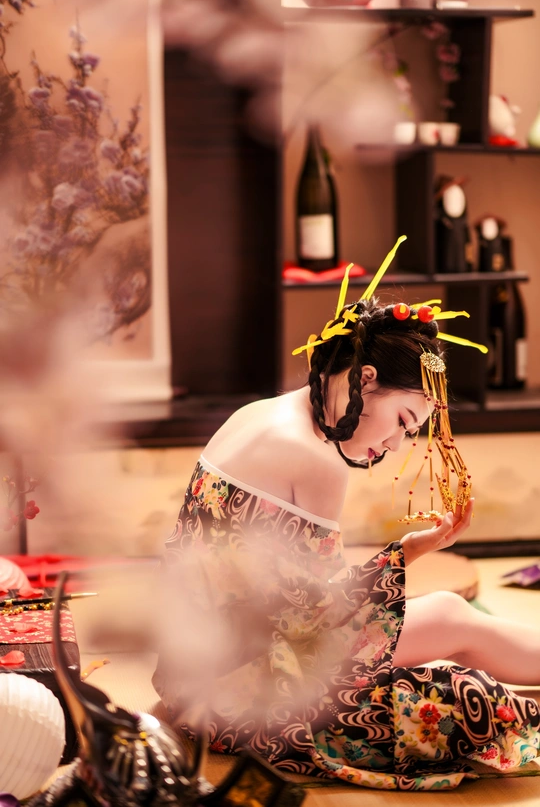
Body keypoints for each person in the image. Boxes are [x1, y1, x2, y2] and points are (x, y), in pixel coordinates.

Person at [153, 243, 540, 791]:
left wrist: (412, 549)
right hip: (255, 695)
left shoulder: (260, 414)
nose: (397, 443)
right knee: (463, 685)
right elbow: (324, 621)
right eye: (403, 420)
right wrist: (404, 557)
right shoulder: (315, 459)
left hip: (192, 673)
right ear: (365, 379)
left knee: (450, 623)